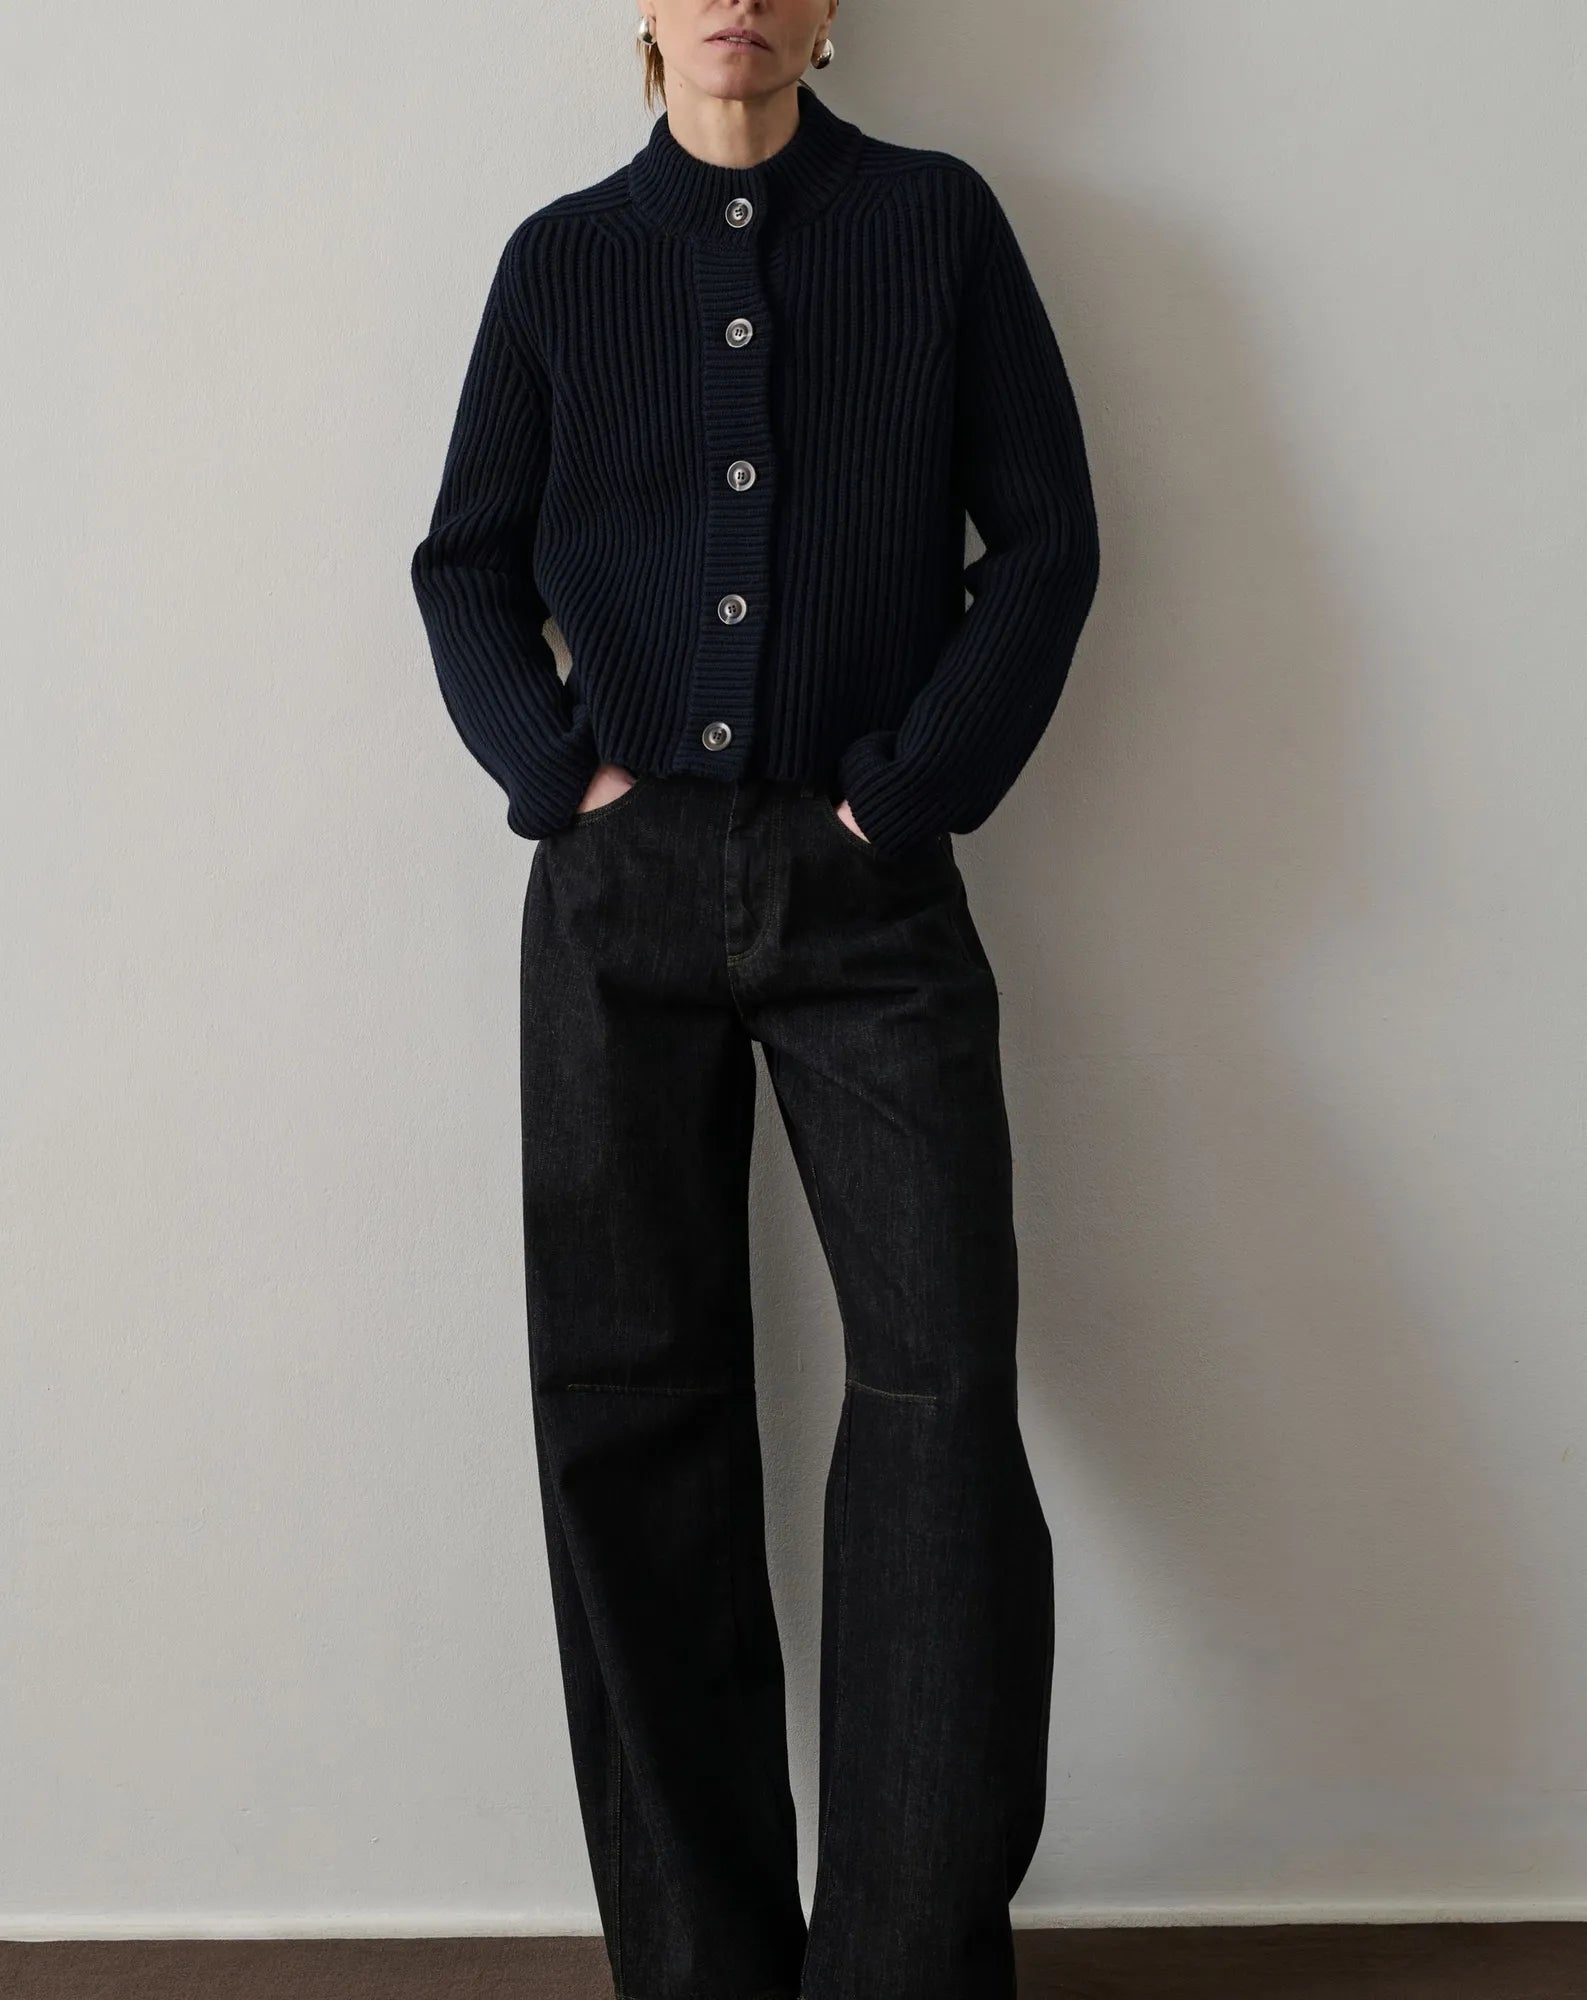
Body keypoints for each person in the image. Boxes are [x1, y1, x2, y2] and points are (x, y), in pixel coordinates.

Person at [410, 5, 1100, 1995]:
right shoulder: (563, 261)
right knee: (627, 1408)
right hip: (613, 902)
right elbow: (464, 565)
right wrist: (559, 778)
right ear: (637, 12)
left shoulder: (935, 225)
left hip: (867, 894)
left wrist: (906, 790)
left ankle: (903, 1962)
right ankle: (698, 1965)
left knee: (940, 1393)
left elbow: (1045, 545)